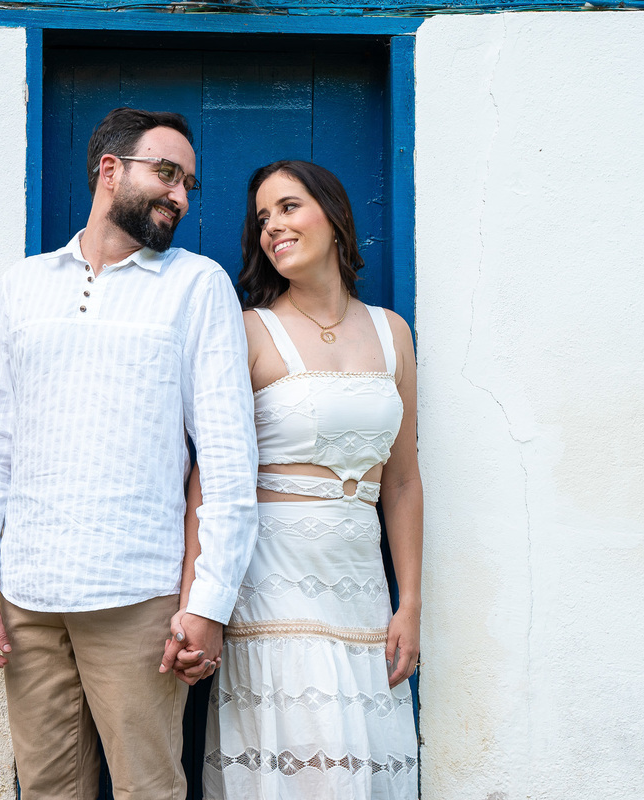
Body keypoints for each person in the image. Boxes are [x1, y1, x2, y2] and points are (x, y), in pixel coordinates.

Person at [0, 107, 259, 800]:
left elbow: (229, 457)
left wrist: (207, 600)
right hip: (27, 597)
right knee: (48, 788)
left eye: (189, 183)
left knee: (149, 789)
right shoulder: (23, 285)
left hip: (138, 597)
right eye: (167, 173)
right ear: (110, 171)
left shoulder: (196, 285)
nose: (180, 195)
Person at [164, 160, 422, 798]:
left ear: (334, 219)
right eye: (261, 219)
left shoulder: (393, 334)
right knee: (301, 761)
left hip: (361, 591)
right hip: (273, 585)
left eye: (288, 207)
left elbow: (403, 481)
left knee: (360, 768)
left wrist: (409, 602)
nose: (272, 227)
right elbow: (210, 478)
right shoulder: (251, 330)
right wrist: (197, 602)